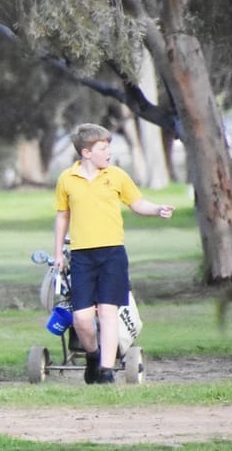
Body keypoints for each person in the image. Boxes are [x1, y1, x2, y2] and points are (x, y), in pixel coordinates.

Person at [53, 123, 174, 384]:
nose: (108, 152)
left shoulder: (116, 175)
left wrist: (156, 209)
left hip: (113, 254)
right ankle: (93, 356)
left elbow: (137, 203)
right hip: (82, 256)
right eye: (103, 148)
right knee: (82, 319)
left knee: (108, 313)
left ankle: (106, 372)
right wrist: (58, 253)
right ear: (86, 152)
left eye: (109, 147)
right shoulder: (66, 179)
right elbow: (63, 216)